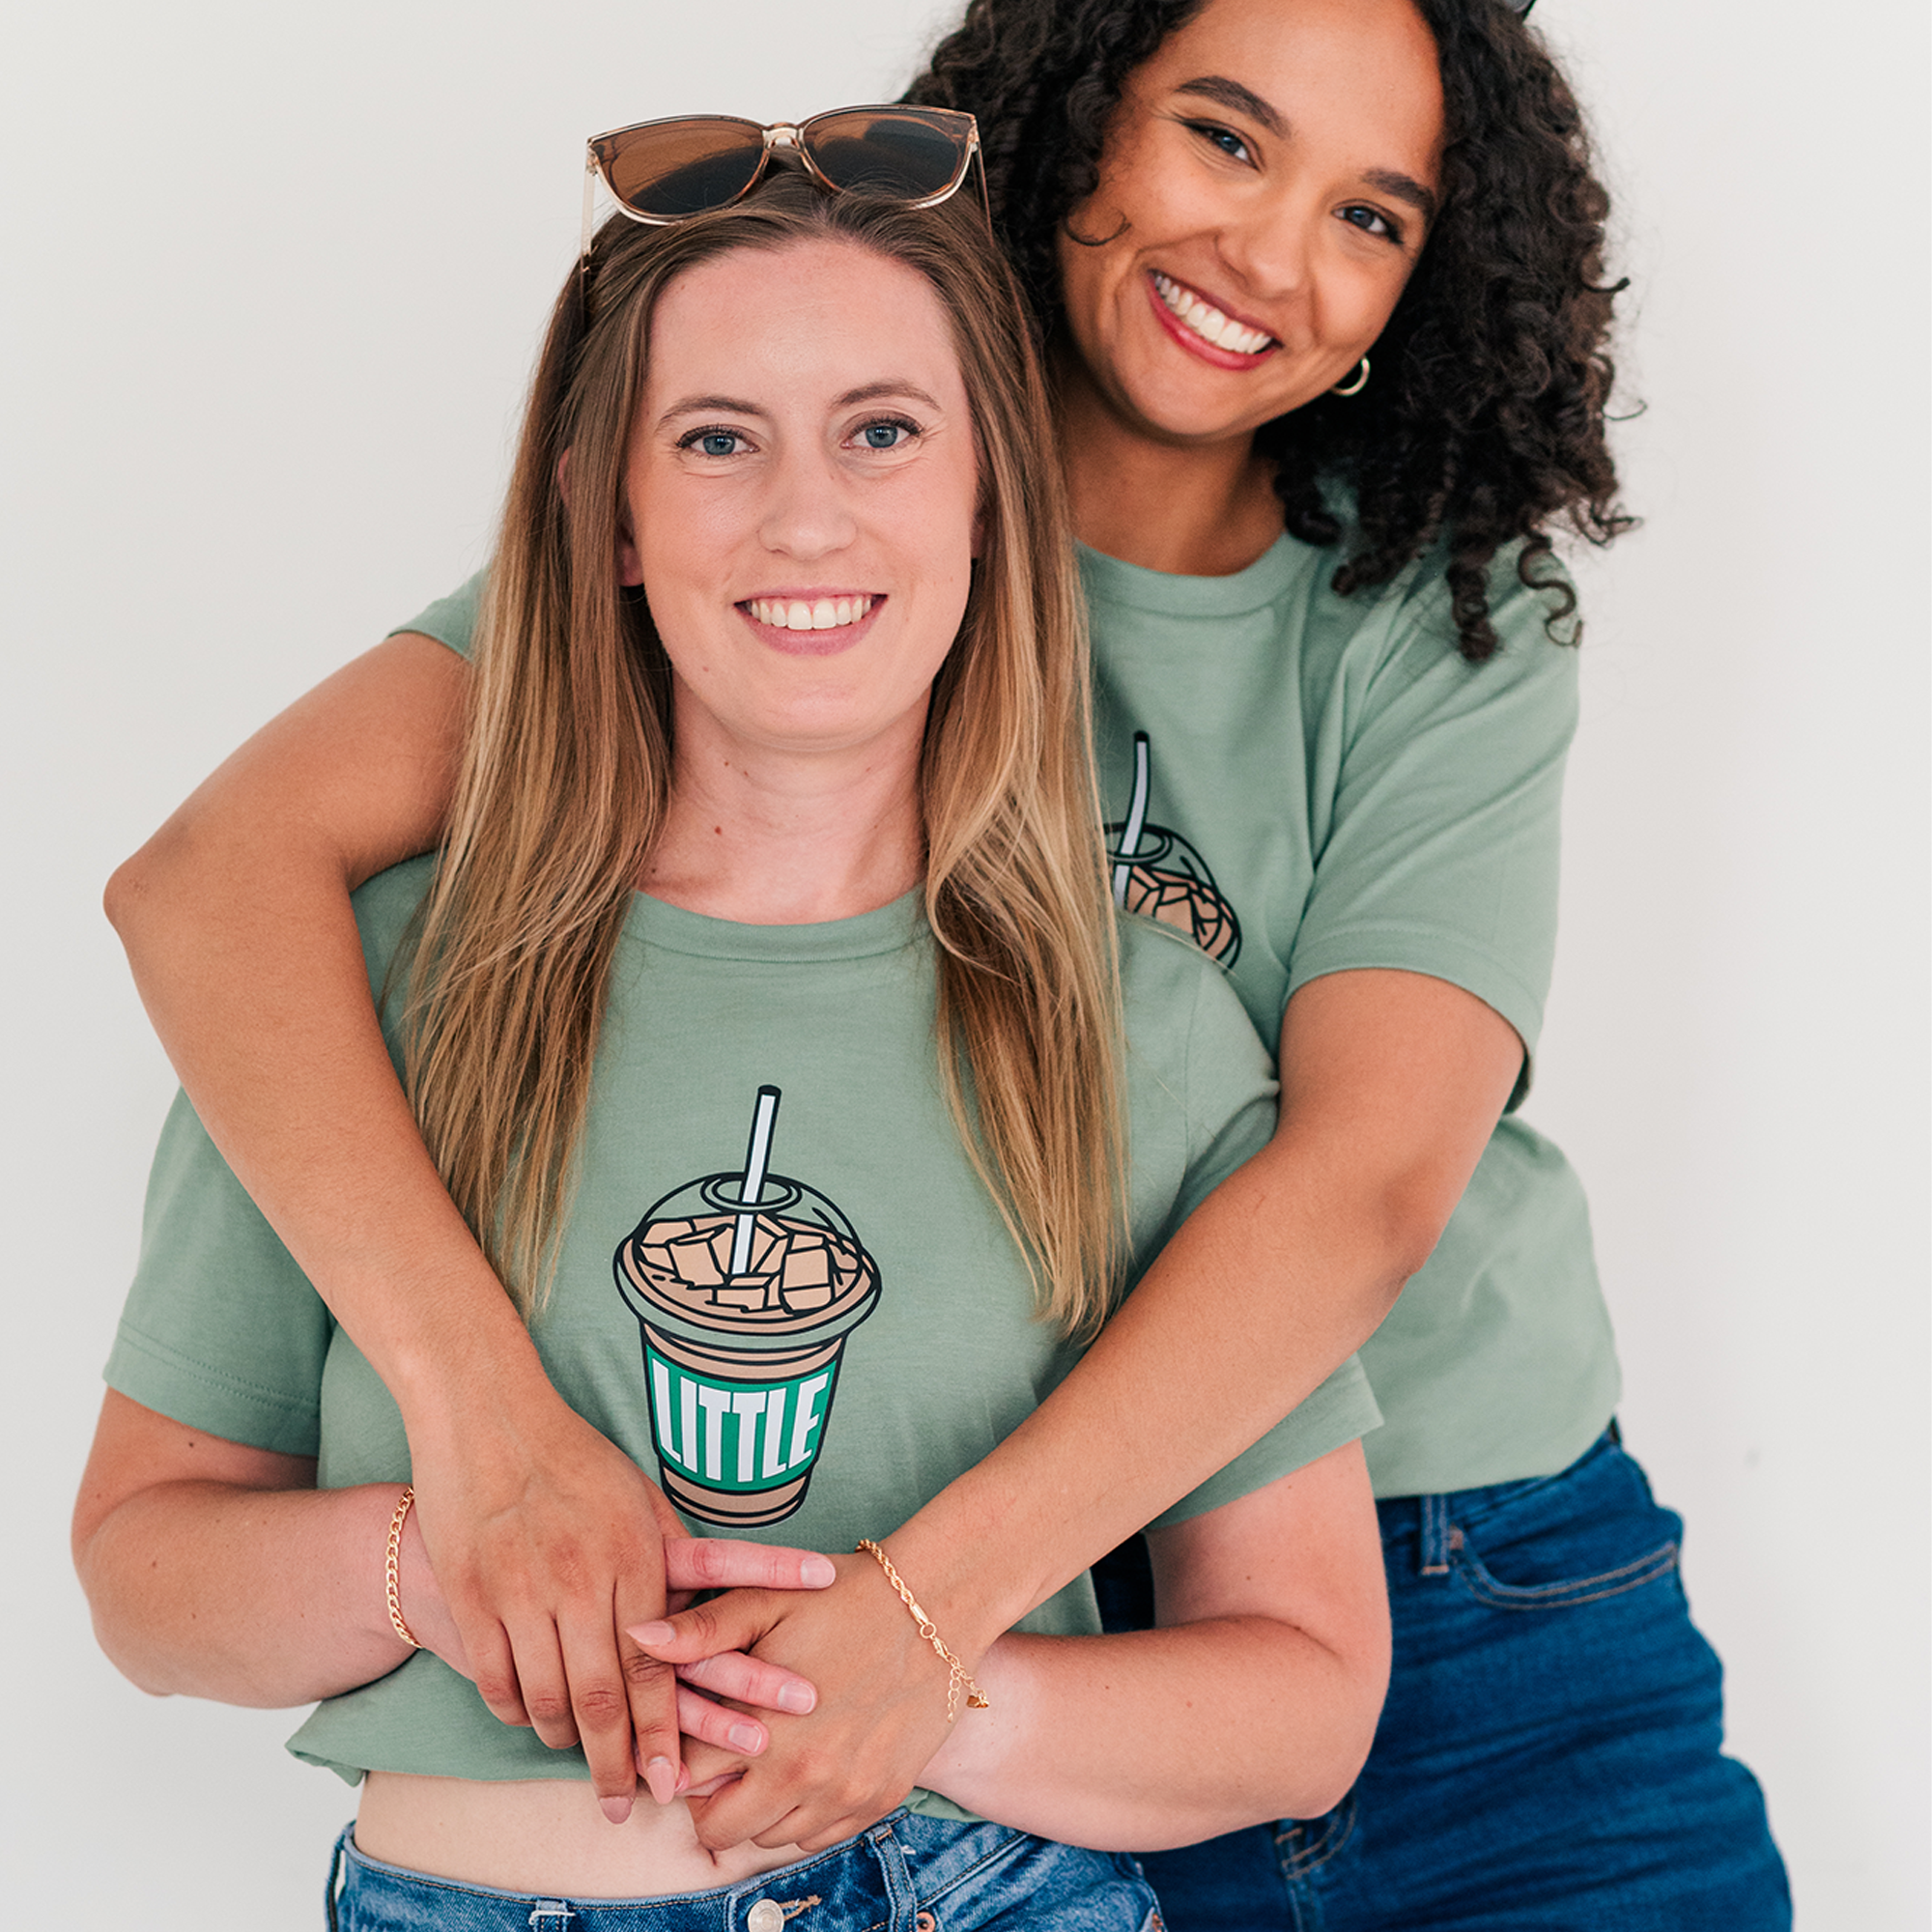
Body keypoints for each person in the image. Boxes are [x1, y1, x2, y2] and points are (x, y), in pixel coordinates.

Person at [100, 0, 1791, 1925]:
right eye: (1224, 140)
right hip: (991, 1641)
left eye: (1370, 216)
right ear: (1072, 122)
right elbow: (214, 875)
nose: (1266, 254)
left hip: (1434, 1570)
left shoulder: (1431, 620)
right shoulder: (788, 534)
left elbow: (1367, 1188)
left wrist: (931, 1608)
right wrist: (477, 1438)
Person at [75, 150, 1393, 1926]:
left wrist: (932, 1686)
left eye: (882, 432)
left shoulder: (1143, 1033)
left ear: (994, 499)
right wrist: (429, 1561)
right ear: (604, 516)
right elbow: (142, 1576)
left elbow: (1306, 1699)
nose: (805, 518)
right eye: (714, 439)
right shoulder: (366, 985)